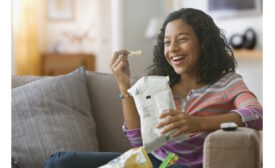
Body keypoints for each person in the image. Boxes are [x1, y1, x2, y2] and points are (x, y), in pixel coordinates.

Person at [44, 8, 262, 168]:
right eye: (167, 42)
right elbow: (138, 141)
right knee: (59, 162)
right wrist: (124, 84)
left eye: (182, 39)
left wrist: (197, 123)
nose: (173, 49)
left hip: (185, 166)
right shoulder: (157, 84)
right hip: (149, 162)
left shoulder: (228, 82)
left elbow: (256, 114)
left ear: (203, 43)